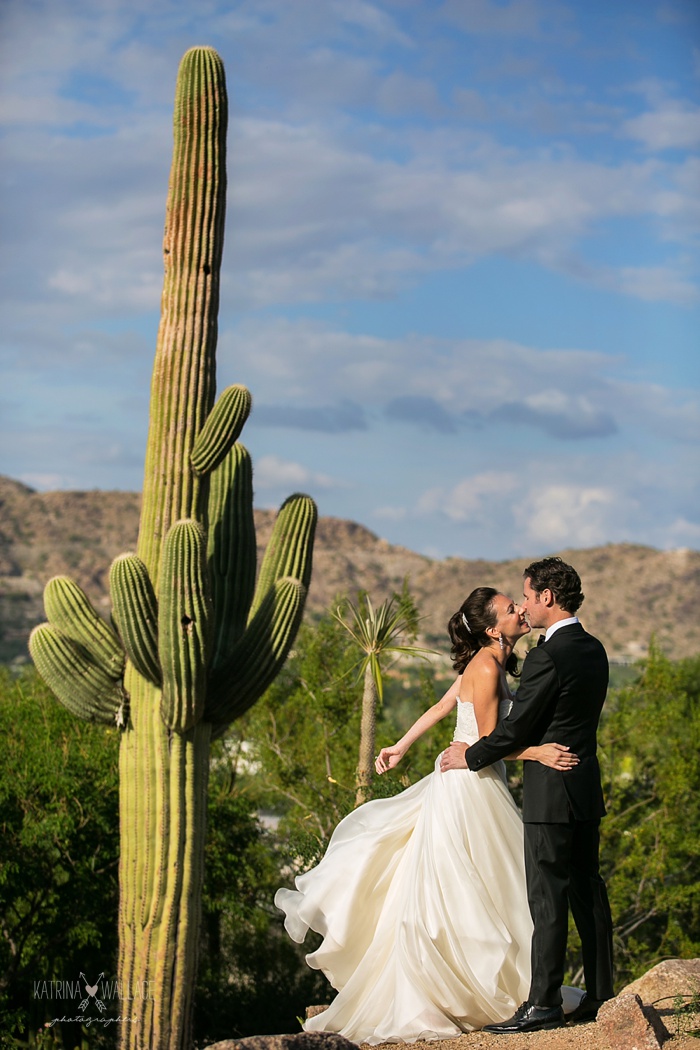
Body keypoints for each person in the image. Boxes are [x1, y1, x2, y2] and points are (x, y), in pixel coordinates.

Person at [274, 585, 584, 1044]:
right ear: (492, 628)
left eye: (518, 603)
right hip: (471, 788)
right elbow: (486, 741)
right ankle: (477, 991)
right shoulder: (484, 665)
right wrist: (537, 752)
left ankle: (504, 987)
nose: (520, 609)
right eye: (509, 607)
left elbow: (443, 706)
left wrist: (401, 746)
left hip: (473, 778)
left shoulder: (488, 662)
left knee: (484, 886)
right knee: (479, 887)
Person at [441, 557, 614, 1034]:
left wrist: (470, 755)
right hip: (584, 786)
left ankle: (543, 1004)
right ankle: (602, 993)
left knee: (547, 899)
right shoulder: (595, 649)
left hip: (550, 796)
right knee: (588, 892)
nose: (525, 606)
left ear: (548, 598)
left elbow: (518, 728)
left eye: (528, 596)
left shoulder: (547, 655)